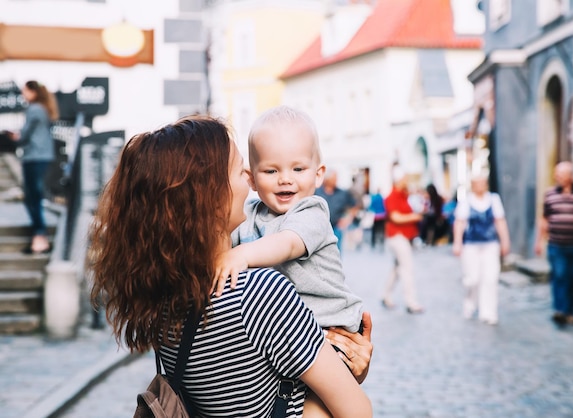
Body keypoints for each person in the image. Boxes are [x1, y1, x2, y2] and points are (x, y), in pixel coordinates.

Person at [89, 115, 373, 418]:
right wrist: (349, 373)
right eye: (241, 173)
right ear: (212, 195)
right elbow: (357, 412)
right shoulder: (262, 296)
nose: (250, 187)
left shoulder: (168, 300)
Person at [215, 105, 363, 335]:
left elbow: (288, 243)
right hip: (289, 332)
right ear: (251, 179)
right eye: (271, 171)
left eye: (298, 168)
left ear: (318, 174)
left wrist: (241, 255)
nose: (285, 179)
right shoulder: (249, 214)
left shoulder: (312, 212)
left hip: (331, 327)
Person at [534, 161, 573, 326]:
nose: (557, 177)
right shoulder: (550, 194)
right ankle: (560, 310)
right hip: (556, 243)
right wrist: (539, 241)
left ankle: (570, 311)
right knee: (559, 275)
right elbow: (544, 218)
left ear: (571, 176)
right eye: (556, 174)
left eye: (560, 175)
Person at [452, 174, 510, 326]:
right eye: (478, 183)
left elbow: (500, 221)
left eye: (483, 183)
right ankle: (470, 303)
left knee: (490, 278)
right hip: (471, 244)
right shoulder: (466, 202)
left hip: (490, 244)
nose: (481, 186)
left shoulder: (494, 199)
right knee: (472, 278)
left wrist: (505, 241)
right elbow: (460, 222)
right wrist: (457, 243)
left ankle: (488, 312)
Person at [9, 80, 58, 254]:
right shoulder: (43, 109)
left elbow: (24, 137)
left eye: (25, 91)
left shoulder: (34, 109)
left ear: (33, 92)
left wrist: (14, 136)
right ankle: (40, 236)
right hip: (42, 157)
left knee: (32, 197)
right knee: (34, 196)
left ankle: (40, 237)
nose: (23, 94)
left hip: (34, 157)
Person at [381, 168, 424, 314]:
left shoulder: (403, 195)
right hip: (397, 236)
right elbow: (395, 217)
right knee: (407, 268)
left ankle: (386, 295)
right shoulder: (392, 196)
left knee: (397, 269)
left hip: (403, 236)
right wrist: (414, 217)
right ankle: (411, 302)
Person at [315, 168, 358, 253]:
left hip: (336, 228)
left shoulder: (342, 193)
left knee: (336, 252)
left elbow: (354, 206)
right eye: (334, 178)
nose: (336, 180)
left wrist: (347, 219)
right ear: (327, 179)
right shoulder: (317, 191)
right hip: (319, 228)